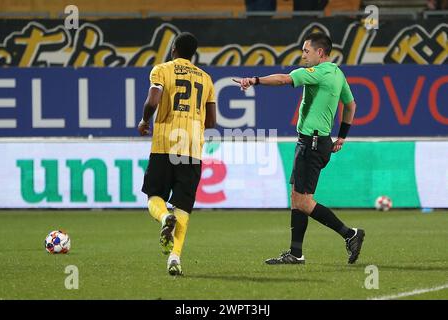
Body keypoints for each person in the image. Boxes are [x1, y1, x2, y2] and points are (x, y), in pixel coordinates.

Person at [233, 32, 365, 265]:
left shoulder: (319, 72)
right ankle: (296, 253)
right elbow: (351, 105)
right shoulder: (337, 73)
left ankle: (350, 234)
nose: (303, 55)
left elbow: (284, 79)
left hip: (312, 144)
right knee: (297, 199)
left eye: (306, 50)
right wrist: (342, 136)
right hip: (317, 142)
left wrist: (254, 80)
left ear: (320, 52)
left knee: (303, 202)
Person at [138, 32, 216, 276]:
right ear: (193, 54)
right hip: (192, 148)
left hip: (165, 143)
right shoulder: (206, 79)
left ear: (173, 49)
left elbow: (153, 100)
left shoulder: (161, 70)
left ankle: (163, 218)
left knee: (154, 195)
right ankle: (175, 257)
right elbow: (212, 121)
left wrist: (144, 120)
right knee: (183, 207)